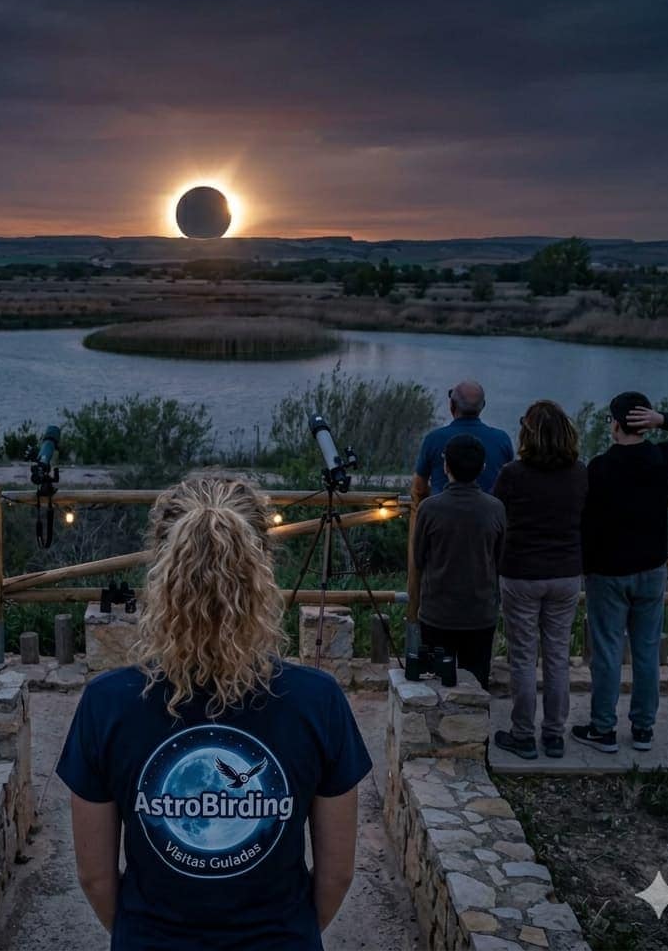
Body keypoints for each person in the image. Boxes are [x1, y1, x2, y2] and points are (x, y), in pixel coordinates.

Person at [57, 477, 371, 949]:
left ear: (160, 572)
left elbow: (96, 878)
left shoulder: (108, 703)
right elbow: (337, 875)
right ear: (262, 568)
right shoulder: (317, 700)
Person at [573, 393, 668, 754]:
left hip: (608, 571)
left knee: (608, 651)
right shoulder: (661, 459)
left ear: (614, 425)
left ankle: (603, 728)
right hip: (651, 567)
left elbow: (586, 520)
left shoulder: (598, 467)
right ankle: (643, 728)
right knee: (646, 652)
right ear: (645, 422)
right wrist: (663, 420)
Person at [492, 401, 588, 760]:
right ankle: (553, 735)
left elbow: (497, 517)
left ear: (527, 433)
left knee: (522, 658)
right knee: (557, 656)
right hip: (565, 573)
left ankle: (522, 734)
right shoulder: (580, 473)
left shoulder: (513, 474)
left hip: (521, 572)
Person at [411, 434, 506, 689]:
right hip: (480, 613)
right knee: (477, 683)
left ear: (445, 466)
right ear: (482, 467)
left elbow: (418, 558)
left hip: (437, 613)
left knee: (435, 686)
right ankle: (478, 729)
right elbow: (500, 558)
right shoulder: (495, 508)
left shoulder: (429, 509)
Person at [411, 380, 514, 505]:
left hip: (442, 519)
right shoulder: (502, 440)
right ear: (483, 406)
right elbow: (510, 487)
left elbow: (419, 488)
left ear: (452, 406)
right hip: (487, 520)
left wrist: (430, 508)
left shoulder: (433, 439)